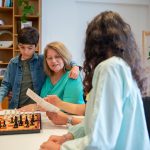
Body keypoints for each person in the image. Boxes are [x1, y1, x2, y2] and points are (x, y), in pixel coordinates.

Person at [40, 11, 150, 150]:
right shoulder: (119, 66)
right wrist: (68, 137)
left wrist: (62, 148)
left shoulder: (110, 67)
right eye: (49, 58)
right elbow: (94, 121)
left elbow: (101, 139)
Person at [0, 27, 80, 110]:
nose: (25, 51)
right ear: (18, 45)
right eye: (22, 47)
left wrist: (75, 66)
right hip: (16, 107)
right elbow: (5, 85)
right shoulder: (13, 63)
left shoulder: (42, 60)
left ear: (36, 46)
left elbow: (65, 59)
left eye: (30, 48)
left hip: (37, 109)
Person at [40, 41, 84, 106]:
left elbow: (71, 108)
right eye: (50, 58)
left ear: (64, 57)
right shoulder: (48, 77)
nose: (53, 61)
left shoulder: (72, 76)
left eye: (57, 56)